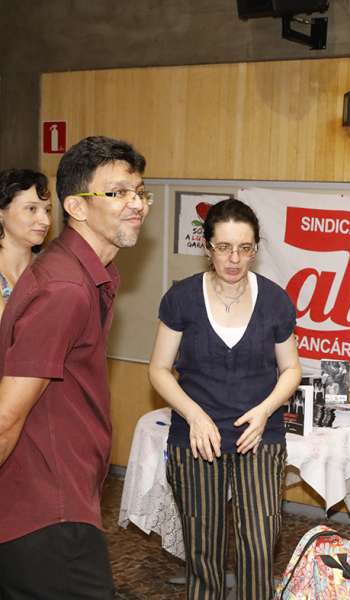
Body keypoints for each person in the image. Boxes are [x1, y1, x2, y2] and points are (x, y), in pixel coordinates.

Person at [0, 136, 151, 598]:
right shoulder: (65, 288)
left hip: (57, 502)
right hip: (46, 512)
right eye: (118, 192)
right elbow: (6, 415)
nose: (137, 204)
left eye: (139, 192)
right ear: (77, 207)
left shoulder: (84, 275)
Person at [149, 198, 301, 600]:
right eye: (224, 247)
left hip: (259, 434)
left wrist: (265, 410)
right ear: (207, 246)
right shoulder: (182, 298)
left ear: (256, 249)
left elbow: (291, 369)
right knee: (204, 546)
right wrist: (194, 415)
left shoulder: (275, 300)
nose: (234, 259)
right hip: (196, 437)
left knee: (259, 542)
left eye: (245, 248)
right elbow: (159, 369)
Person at [0, 169, 52, 317]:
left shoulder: (53, 268)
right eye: (31, 209)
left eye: (47, 210)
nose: (46, 221)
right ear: (1, 213)